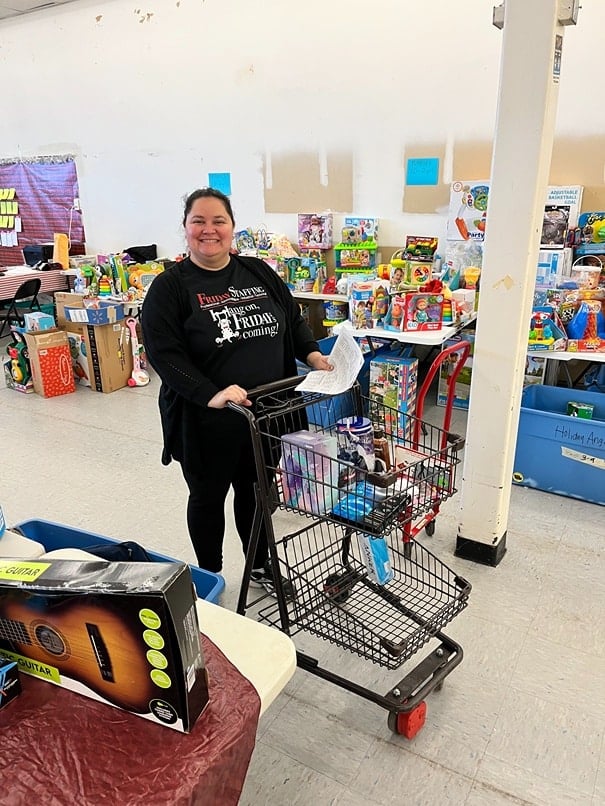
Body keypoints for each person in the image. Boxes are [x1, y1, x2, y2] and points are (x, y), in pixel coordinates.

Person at [141, 188, 332, 596]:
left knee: (258, 494)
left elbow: (292, 318)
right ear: (186, 227)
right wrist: (210, 392)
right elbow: (164, 352)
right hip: (208, 419)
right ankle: (210, 574)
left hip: (269, 413)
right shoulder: (169, 288)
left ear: (232, 227)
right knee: (208, 498)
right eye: (199, 222)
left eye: (218, 221)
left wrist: (313, 353)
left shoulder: (258, 271)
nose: (209, 230)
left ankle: (260, 564)